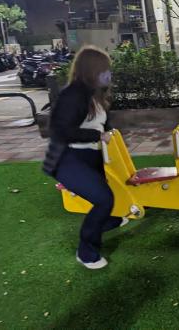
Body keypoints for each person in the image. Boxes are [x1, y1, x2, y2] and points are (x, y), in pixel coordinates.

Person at [43, 45, 127, 269]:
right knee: (103, 199)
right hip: (68, 158)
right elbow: (59, 131)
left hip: (91, 155)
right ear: (92, 70)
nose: (108, 73)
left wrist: (107, 132)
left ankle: (108, 221)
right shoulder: (72, 94)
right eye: (104, 69)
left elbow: (101, 123)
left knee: (104, 195)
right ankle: (86, 251)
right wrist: (98, 134)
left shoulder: (95, 94)